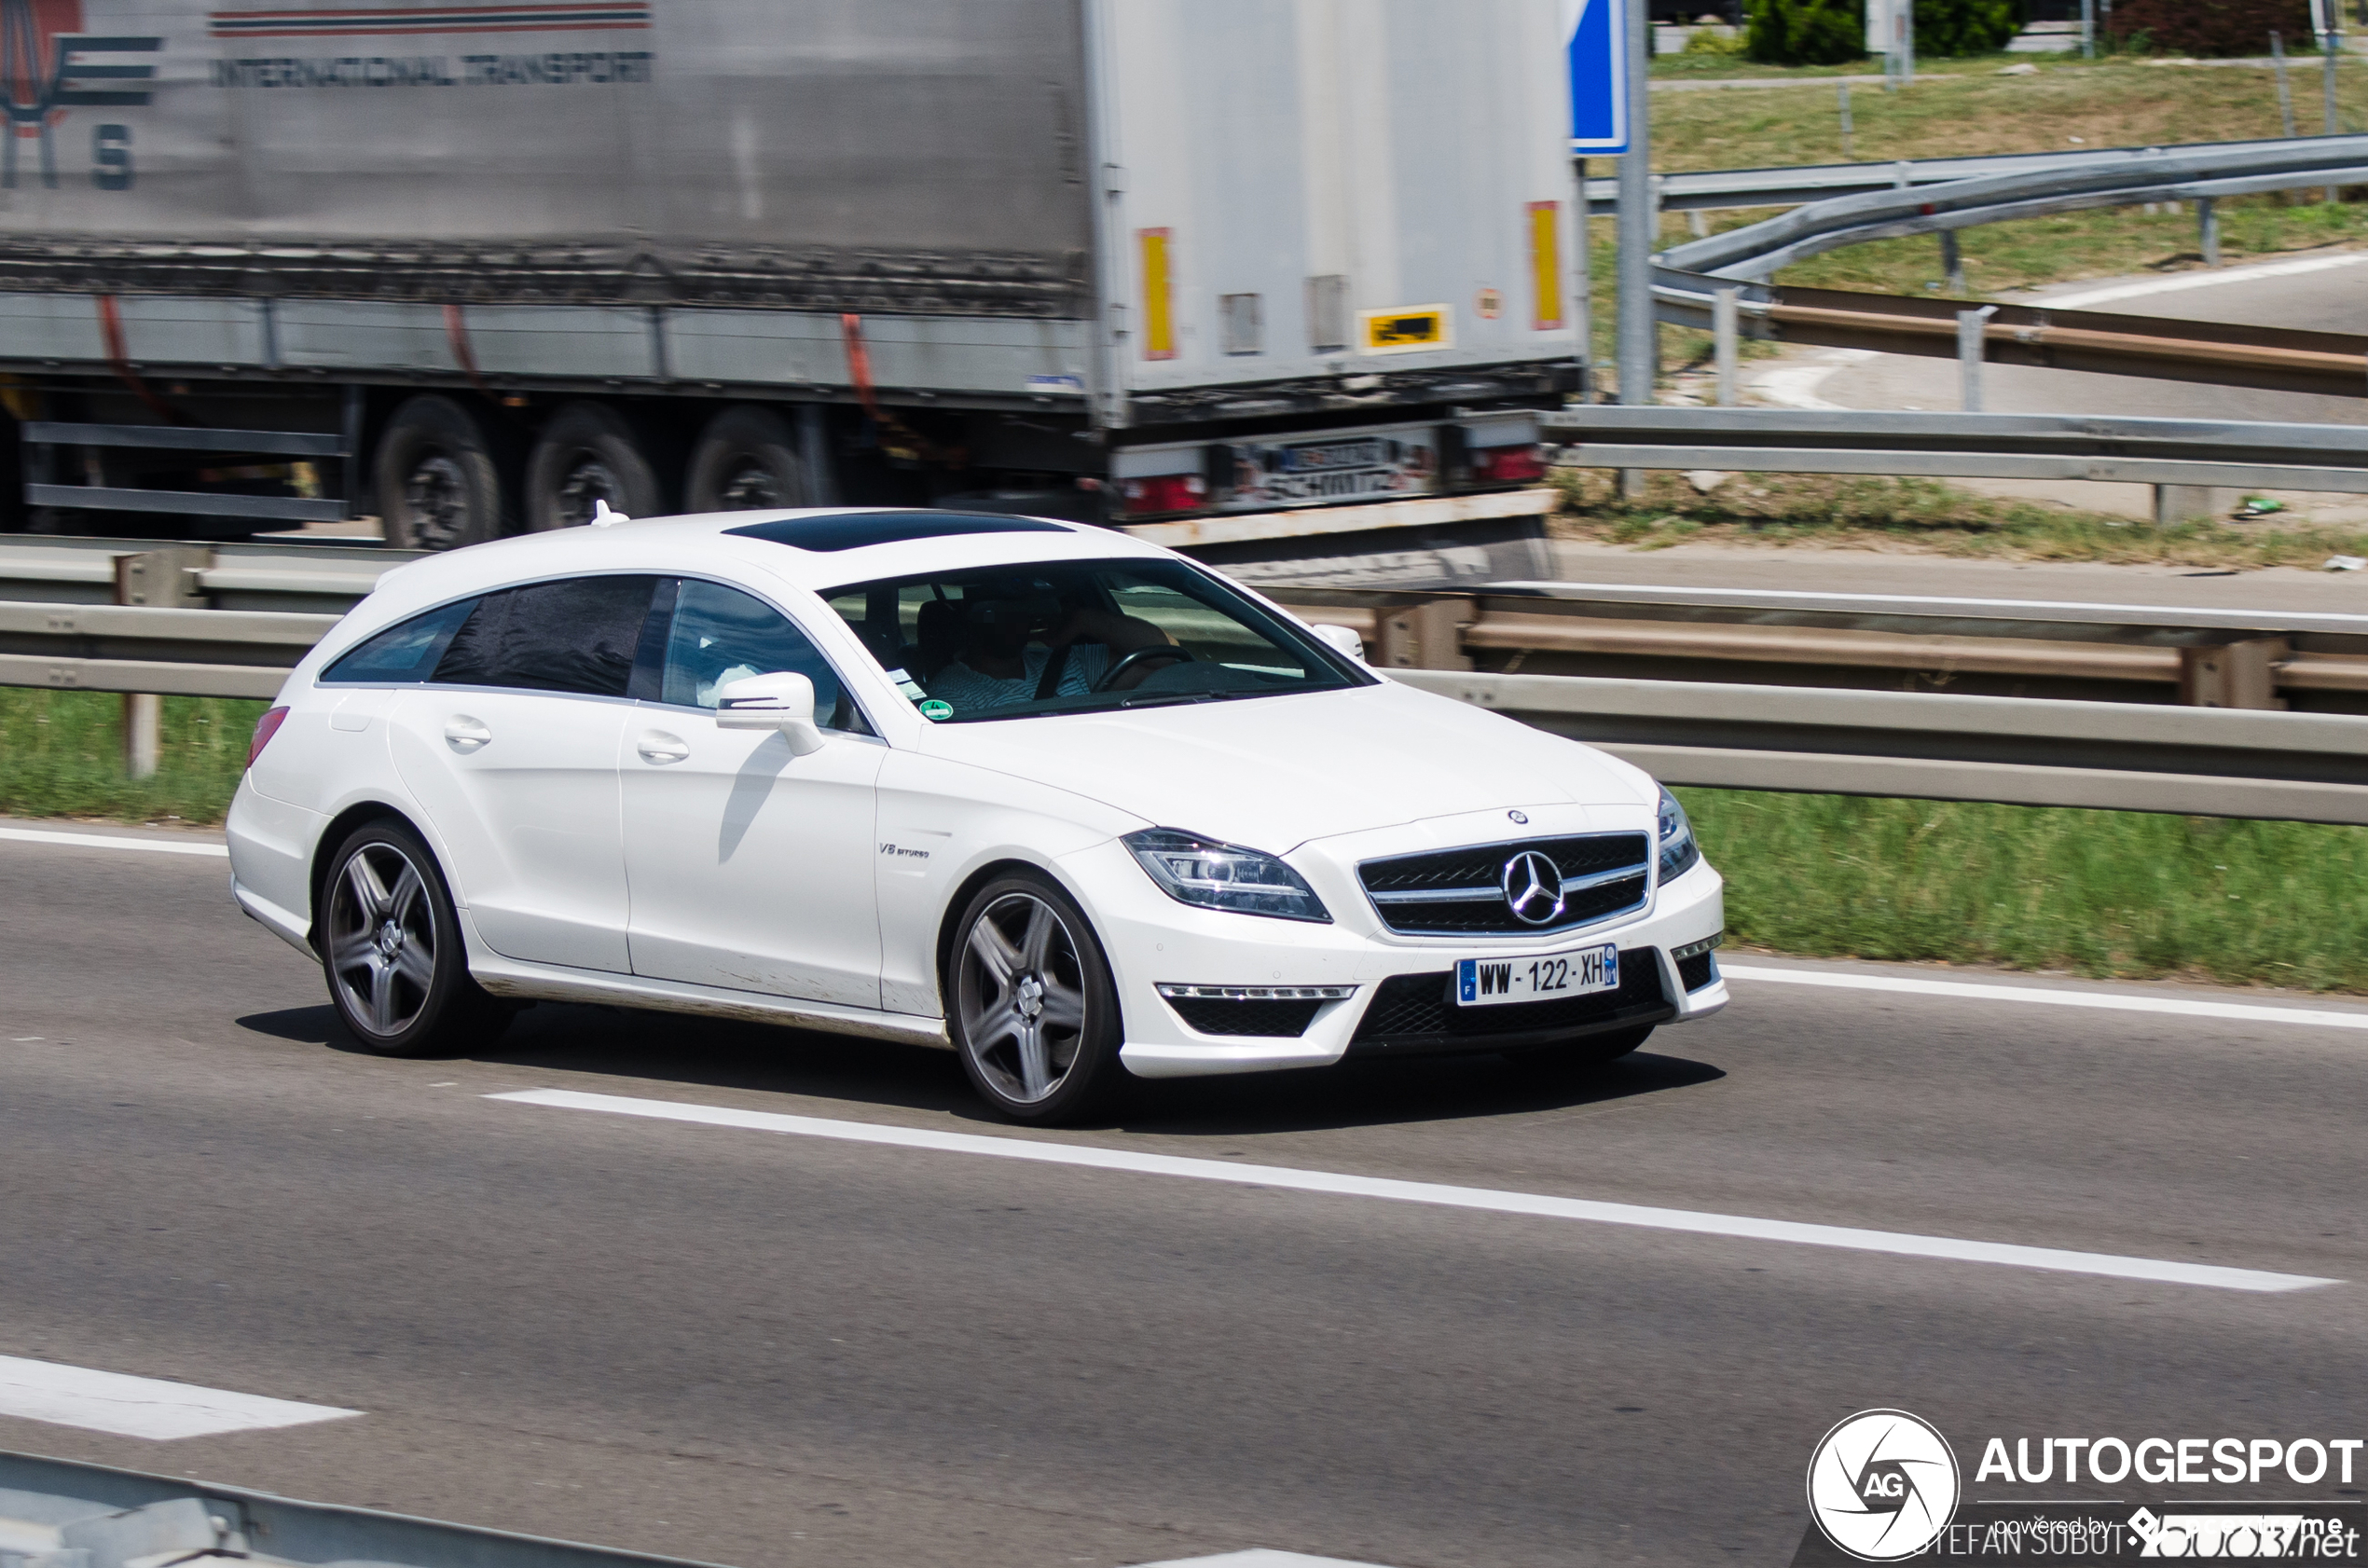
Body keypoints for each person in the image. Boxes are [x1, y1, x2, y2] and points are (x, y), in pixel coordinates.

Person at [922, 595, 1172, 712]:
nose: (1013, 624)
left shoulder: (1069, 661)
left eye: (1020, 615)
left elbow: (1167, 659)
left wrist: (1084, 620)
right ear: (973, 623)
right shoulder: (952, 693)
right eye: (998, 615)